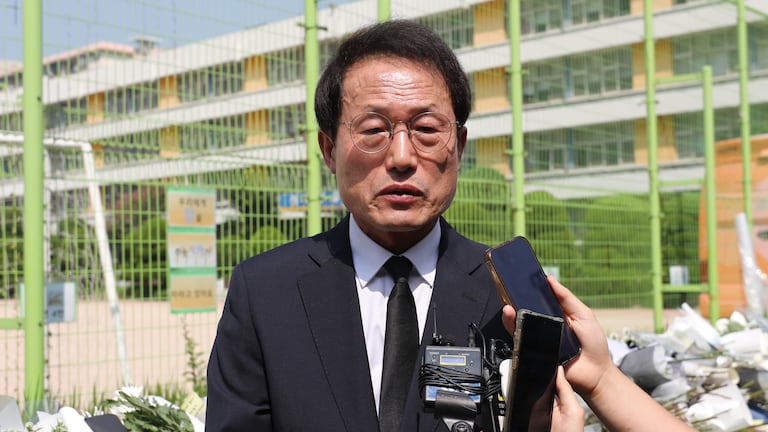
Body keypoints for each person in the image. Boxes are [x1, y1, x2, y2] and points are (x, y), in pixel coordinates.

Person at [206, 19, 694, 432]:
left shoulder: (511, 300)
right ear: (329, 150)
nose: (402, 157)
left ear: (458, 146)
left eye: (426, 130)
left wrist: (599, 376)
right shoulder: (265, 292)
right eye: (373, 130)